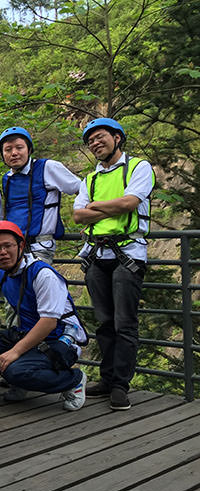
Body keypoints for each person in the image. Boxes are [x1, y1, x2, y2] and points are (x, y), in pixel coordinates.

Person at [73, 118, 155, 411]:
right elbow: (78, 216)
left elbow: (129, 203)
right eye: (90, 140)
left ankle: (121, 385)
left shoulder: (138, 167)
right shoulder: (91, 179)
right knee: (105, 322)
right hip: (97, 255)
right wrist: (109, 208)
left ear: (117, 138)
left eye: (100, 137)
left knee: (124, 323)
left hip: (128, 253)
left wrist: (94, 207)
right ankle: (107, 379)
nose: (95, 143)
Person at [0, 220, 88, 411]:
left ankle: (73, 380)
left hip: (59, 340)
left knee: (15, 370)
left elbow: (49, 323)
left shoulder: (42, 274)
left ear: (21, 246)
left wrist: (15, 352)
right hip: (28, 335)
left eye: (8, 246)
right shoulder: (4, 273)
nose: (2, 252)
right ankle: (21, 381)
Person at [0, 126, 81, 264]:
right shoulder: (7, 178)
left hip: (40, 246)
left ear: (29, 149)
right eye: (8, 149)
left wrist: (90, 221)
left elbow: (82, 190)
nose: (14, 153)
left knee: (36, 277)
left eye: (19, 147)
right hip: (14, 248)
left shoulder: (47, 167)